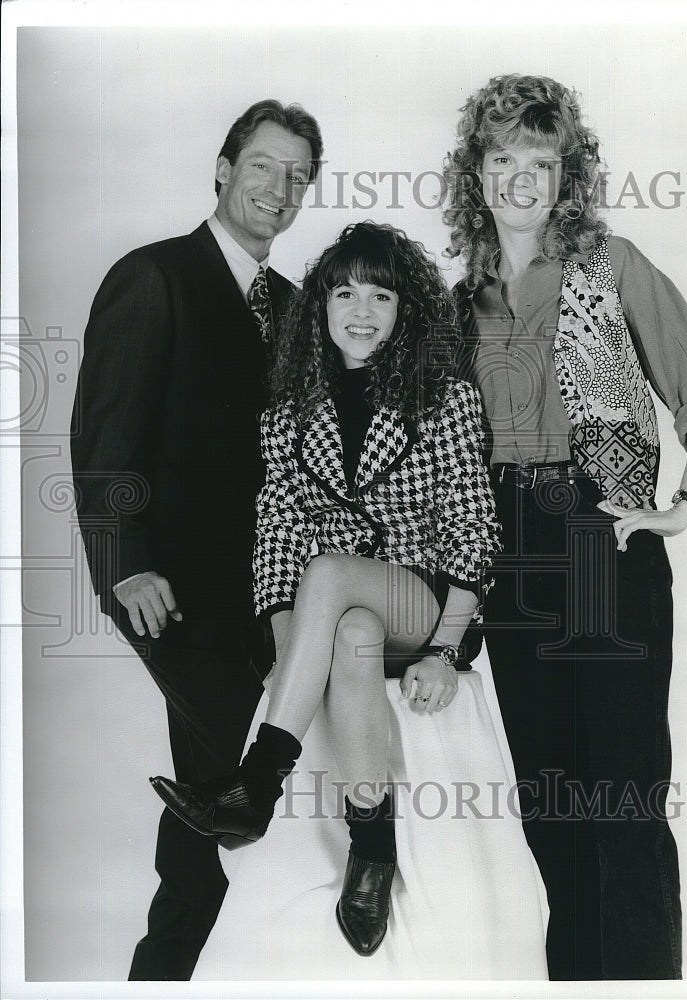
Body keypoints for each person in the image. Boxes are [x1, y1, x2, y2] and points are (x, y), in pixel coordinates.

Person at [442, 73, 687, 981]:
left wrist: (680, 506)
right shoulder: (462, 303)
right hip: (506, 549)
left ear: (565, 174)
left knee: (619, 799)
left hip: (596, 538)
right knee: (549, 809)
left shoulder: (611, 265)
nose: (520, 179)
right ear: (476, 175)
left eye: (540, 161)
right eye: (502, 159)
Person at [151, 221, 501, 958]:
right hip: (344, 618)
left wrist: (443, 649)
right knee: (347, 631)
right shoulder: (286, 414)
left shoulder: (445, 398)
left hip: (430, 601)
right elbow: (275, 529)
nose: (361, 309)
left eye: (381, 293)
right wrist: (288, 650)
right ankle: (371, 847)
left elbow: (474, 528)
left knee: (331, 570)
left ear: (406, 309)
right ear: (321, 307)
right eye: (344, 292)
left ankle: (255, 784)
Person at [70, 99, 323, 980]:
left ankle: (166, 970)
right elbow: (105, 438)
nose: (277, 188)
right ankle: (170, 963)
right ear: (221, 169)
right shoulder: (153, 276)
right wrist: (124, 561)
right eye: (262, 165)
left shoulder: (297, 308)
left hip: (267, 591)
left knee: (213, 780)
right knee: (229, 765)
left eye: (297, 177)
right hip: (166, 583)